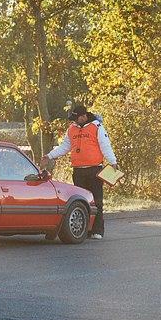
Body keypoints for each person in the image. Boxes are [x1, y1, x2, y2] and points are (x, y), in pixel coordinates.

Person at [39, 102, 118, 239]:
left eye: (77, 118)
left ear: (84, 117)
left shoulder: (97, 127)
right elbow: (64, 147)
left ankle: (97, 230)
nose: (75, 121)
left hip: (95, 170)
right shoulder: (72, 129)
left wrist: (113, 162)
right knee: (81, 201)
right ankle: (85, 230)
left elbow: (105, 145)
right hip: (78, 171)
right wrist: (49, 156)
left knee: (97, 200)